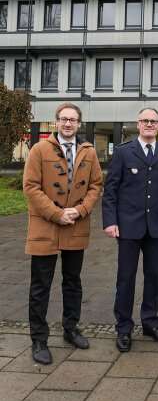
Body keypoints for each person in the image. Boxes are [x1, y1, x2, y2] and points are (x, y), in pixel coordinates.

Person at [23, 103, 103, 364]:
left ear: (80, 123)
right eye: (64, 119)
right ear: (56, 122)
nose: (68, 124)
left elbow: (95, 185)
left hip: (76, 224)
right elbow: (31, 187)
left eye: (73, 120)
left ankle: (70, 329)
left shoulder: (88, 151)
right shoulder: (39, 149)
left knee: (73, 282)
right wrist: (57, 213)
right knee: (40, 286)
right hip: (45, 223)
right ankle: (39, 339)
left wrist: (80, 210)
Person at [102, 108, 158, 352]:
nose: (149, 124)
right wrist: (109, 221)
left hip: (156, 226)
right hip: (127, 226)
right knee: (125, 279)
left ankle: (150, 322)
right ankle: (124, 328)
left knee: (154, 277)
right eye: (145, 121)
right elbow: (111, 191)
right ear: (138, 124)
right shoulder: (124, 152)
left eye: (153, 121)